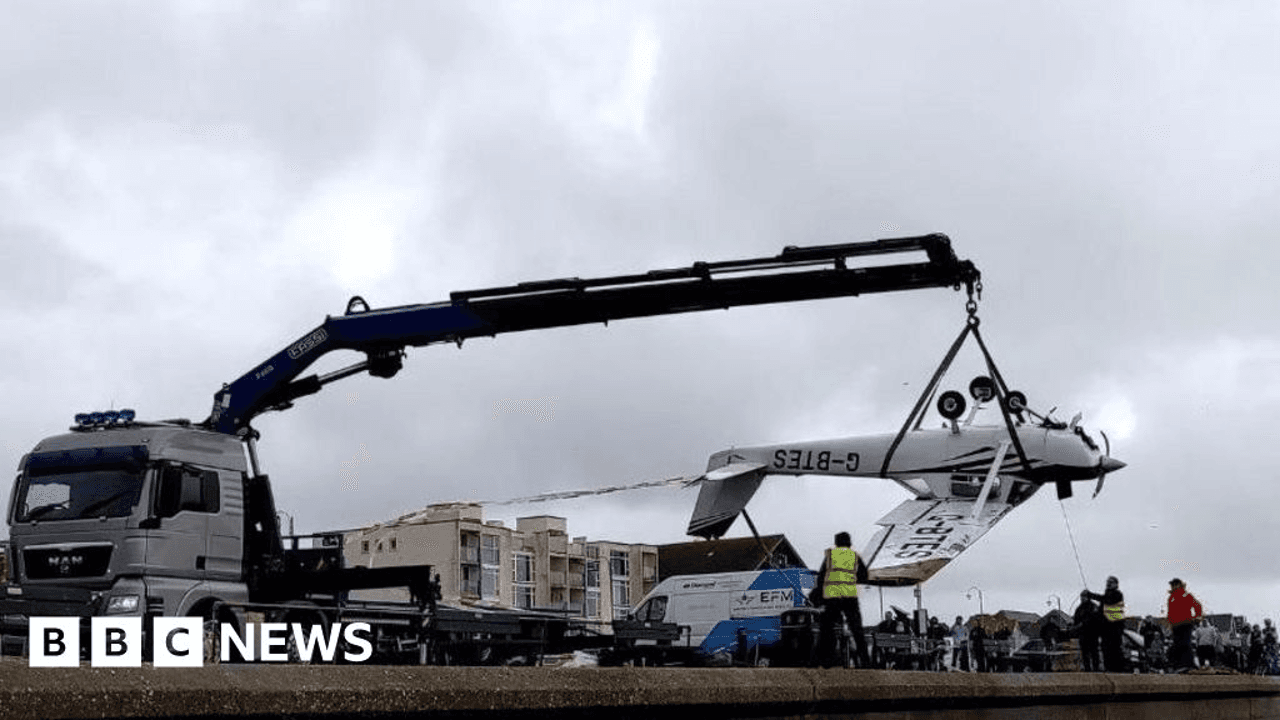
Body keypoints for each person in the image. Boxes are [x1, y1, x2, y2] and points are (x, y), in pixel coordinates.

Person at [813, 531, 871, 668]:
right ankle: (866, 662)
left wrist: (819, 597)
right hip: (850, 597)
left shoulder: (830, 556)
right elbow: (864, 576)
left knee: (827, 629)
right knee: (857, 630)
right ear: (849, 542)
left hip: (832, 596)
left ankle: (824, 661)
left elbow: (821, 578)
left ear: (836, 542)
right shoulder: (854, 556)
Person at [1084, 576, 1126, 672]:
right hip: (1106, 629)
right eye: (1107, 582)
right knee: (1106, 649)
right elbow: (1101, 611)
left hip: (1115, 629)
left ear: (1116, 584)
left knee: (1114, 650)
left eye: (1111, 582)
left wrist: (1091, 595)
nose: (1108, 583)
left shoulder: (1117, 594)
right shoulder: (1107, 595)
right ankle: (1109, 669)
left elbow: (1107, 600)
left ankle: (1118, 670)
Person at [1165, 578, 1202, 671]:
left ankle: (1189, 664)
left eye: (1175, 584)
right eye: (1172, 585)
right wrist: (1169, 624)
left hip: (1186, 624)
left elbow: (1197, 606)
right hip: (1175, 626)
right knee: (1177, 645)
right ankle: (1179, 665)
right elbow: (1170, 613)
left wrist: (1197, 617)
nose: (1173, 586)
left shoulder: (1186, 595)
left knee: (1185, 644)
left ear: (1179, 585)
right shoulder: (1171, 598)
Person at [1073, 590, 1103, 672]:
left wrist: (1084, 623)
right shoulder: (1079, 609)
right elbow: (1076, 620)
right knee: (1085, 653)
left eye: (1084, 596)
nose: (1082, 598)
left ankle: (1096, 668)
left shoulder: (1094, 607)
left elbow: (1096, 619)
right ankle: (1087, 669)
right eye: (1081, 596)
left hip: (1093, 633)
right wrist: (1076, 627)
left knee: (1094, 652)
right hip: (1083, 634)